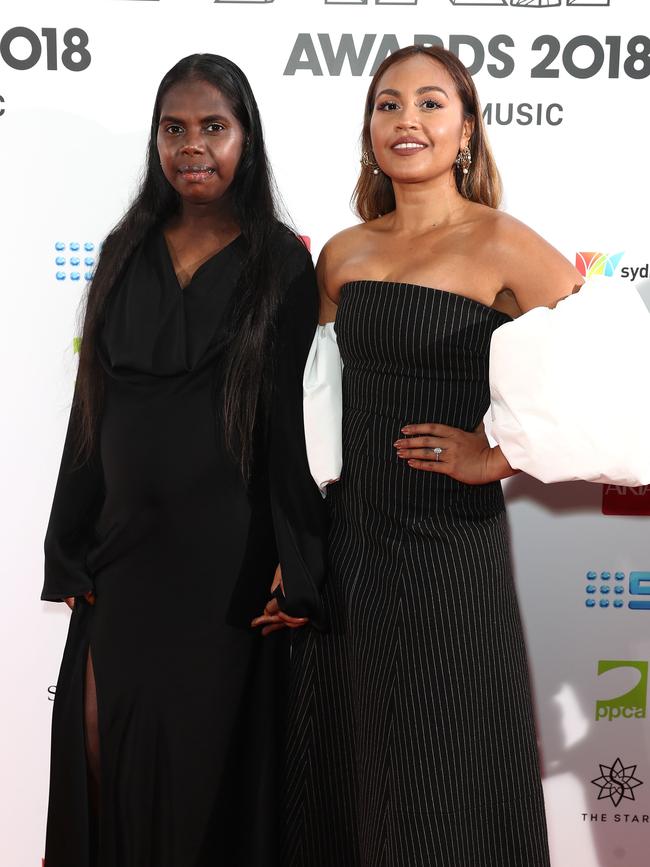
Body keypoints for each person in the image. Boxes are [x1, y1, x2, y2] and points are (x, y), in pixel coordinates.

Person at [261, 45, 583, 866]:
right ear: (369, 127)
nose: (408, 121)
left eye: (431, 104)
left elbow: (605, 372)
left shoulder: (507, 245)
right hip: (353, 546)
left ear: (467, 129)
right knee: (355, 769)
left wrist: (502, 452)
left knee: (443, 773)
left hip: (450, 551)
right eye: (388, 104)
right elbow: (312, 412)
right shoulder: (342, 254)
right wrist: (295, 548)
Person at [42, 53, 326, 867]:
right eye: (174, 128)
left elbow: (291, 429)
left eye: (212, 127)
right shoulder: (123, 251)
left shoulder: (280, 260)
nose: (191, 146)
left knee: (209, 778)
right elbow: (90, 407)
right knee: (100, 751)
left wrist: (294, 559)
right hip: (124, 552)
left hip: (228, 558)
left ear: (246, 138)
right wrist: (68, 538)